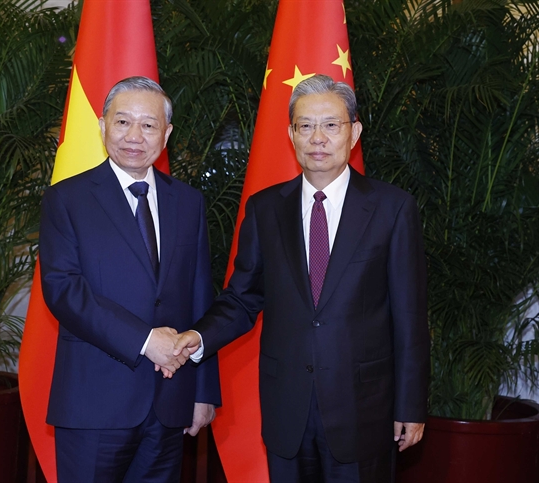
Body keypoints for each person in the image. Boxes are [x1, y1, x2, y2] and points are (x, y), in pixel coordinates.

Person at [174, 74, 429, 483]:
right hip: (287, 408)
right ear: (291, 134)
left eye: (331, 125)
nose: (318, 138)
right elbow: (242, 298)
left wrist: (411, 406)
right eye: (305, 125)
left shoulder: (393, 209)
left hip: (363, 409)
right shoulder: (265, 209)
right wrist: (198, 337)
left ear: (354, 132)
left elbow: (410, 317)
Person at [39, 76, 221, 482]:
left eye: (148, 125)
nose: (134, 136)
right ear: (102, 125)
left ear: (166, 134)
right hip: (93, 405)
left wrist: (203, 391)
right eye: (122, 122)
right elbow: (64, 291)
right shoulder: (66, 199)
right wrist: (145, 340)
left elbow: (200, 297)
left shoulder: (188, 202)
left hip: (170, 402)